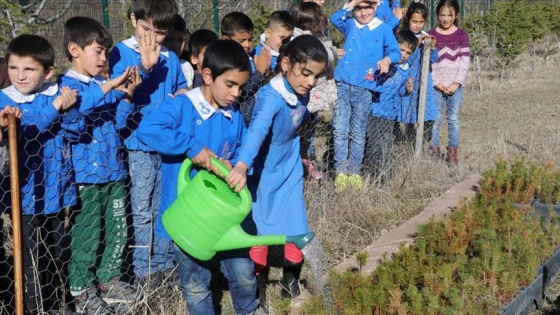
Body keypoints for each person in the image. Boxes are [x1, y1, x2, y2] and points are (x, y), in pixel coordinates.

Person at [136, 40, 264, 315]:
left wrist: (239, 169)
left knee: (242, 271)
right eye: (230, 84)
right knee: (195, 285)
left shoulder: (233, 115)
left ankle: (250, 310)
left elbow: (242, 150)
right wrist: (191, 148)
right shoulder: (184, 106)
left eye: (241, 87)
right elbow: (147, 129)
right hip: (188, 218)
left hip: (223, 215)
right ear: (207, 76)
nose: (236, 93)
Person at [225, 35, 329, 301]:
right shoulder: (270, 97)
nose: (310, 82)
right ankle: (257, 287)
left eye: (315, 77)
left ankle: (290, 281)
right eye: (305, 73)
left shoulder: (300, 93)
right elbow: (256, 132)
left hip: (290, 169)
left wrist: (305, 120)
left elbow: (298, 118)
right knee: (258, 231)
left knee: (296, 226)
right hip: (262, 175)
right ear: (285, 64)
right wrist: (241, 166)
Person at [58, 16, 143, 313]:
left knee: (118, 229)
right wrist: (109, 87)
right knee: (88, 234)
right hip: (86, 176)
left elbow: (118, 125)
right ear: (75, 49)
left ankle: (110, 280)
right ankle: (81, 289)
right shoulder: (66, 87)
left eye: (106, 52)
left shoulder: (100, 85)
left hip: (115, 171)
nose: (104, 58)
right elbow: (76, 126)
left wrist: (128, 96)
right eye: (98, 51)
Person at [109, 0, 187, 282]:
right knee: (141, 209)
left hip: (166, 146)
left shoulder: (171, 58)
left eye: (160, 33)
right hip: (137, 145)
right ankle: (143, 269)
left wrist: (182, 98)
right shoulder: (120, 53)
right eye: (146, 29)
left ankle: (165, 265)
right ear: (133, 19)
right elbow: (118, 97)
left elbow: (180, 90)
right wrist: (143, 67)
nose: (152, 39)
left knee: (164, 206)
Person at [0, 34, 78, 314]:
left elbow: (76, 130)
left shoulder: (57, 91)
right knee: (30, 257)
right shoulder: (5, 100)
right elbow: (30, 129)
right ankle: (34, 307)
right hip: (26, 195)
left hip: (57, 190)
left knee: (58, 253)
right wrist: (57, 107)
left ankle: (60, 301)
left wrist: (68, 110)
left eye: (29, 69)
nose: (19, 76)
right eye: (13, 68)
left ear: (47, 72)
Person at [330, 0, 401, 192]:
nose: (363, 13)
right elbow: (334, 18)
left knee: (358, 132)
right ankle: (340, 172)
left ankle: (354, 173)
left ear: (375, 7)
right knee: (340, 130)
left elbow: (395, 51)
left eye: (367, 7)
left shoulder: (383, 28)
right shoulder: (350, 24)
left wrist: (387, 59)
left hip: (365, 87)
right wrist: (350, 4)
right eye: (359, 8)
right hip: (343, 84)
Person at [363, 30, 418, 185]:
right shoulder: (384, 62)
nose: (404, 54)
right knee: (375, 144)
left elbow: (400, 92)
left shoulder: (405, 70)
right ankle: (371, 175)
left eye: (408, 52)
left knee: (387, 144)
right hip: (373, 111)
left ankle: (385, 177)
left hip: (389, 114)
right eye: (401, 50)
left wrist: (407, 90)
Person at [428, 0, 470, 165]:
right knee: (435, 119)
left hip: (455, 87)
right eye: (442, 15)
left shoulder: (461, 35)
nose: (445, 18)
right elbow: (429, 63)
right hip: (436, 87)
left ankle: (452, 153)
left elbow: (464, 62)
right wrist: (436, 82)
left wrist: (456, 83)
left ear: (456, 15)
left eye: (449, 15)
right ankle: (434, 153)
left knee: (453, 119)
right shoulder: (432, 35)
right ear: (437, 15)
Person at [397, 1, 438, 145]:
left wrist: (432, 48)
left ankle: (426, 143)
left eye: (421, 22)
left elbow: (434, 59)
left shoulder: (426, 36)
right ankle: (409, 143)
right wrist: (417, 45)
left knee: (428, 113)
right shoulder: (403, 37)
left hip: (425, 82)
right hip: (408, 81)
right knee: (410, 114)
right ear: (408, 20)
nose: (418, 25)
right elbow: (406, 60)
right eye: (414, 21)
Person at [221, 11, 271, 126]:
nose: (247, 45)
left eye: (250, 39)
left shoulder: (250, 57)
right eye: (241, 41)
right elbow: (240, 93)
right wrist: (259, 72)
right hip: (240, 121)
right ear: (225, 39)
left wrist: (265, 74)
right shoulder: (226, 63)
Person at [164, 14, 194, 90]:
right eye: (169, 40)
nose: (176, 45)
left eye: (180, 40)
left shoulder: (186, 66)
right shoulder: (153, 65)